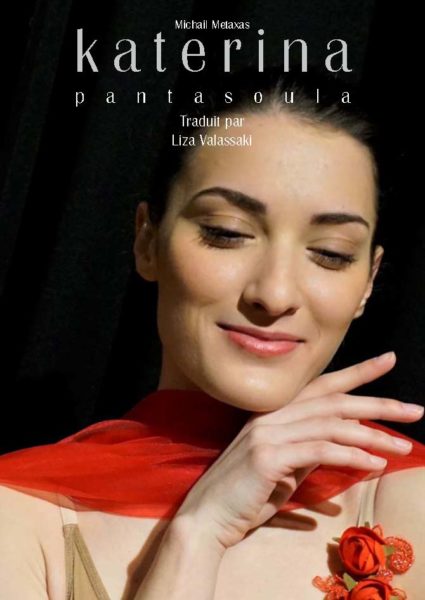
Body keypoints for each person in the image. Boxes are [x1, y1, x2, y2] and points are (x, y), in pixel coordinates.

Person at [0, 66, 424, 600]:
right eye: (227, 233)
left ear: (369, 281)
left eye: (330, 253)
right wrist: (199, 531)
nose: (274, 293)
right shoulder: (21, 515)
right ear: (147, 240)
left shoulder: (406, 494)